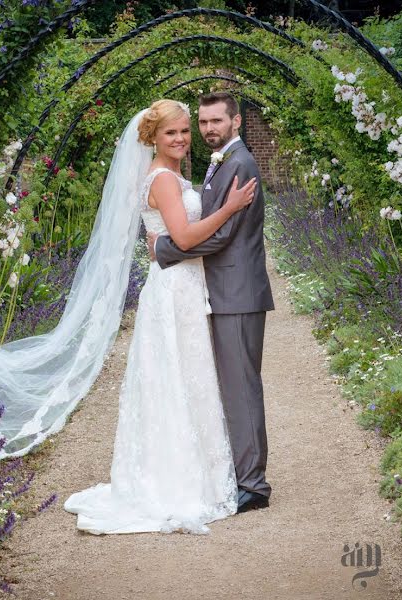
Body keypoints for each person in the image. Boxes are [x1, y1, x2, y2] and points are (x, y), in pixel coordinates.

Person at [63, 99, 258, 534]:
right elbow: (185, 236)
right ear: (152, 137)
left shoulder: (168, 176)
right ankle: (180, 480)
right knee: (179, 376)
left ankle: (193, 471)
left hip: (183, 286)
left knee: (186, 377)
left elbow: (170, 237)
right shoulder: (164, 179)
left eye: (186, 131)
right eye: (173, 132)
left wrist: (166, 243)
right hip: (175, 289)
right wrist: (229, 209)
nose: (183, 138)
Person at [148, 91, 275, 514]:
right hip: (221, 292)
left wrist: (164, 249)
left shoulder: (239, 163)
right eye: (201, 123)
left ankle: (254, 486)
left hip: (236, 294)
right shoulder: (221, 160)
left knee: (241, 388)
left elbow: (221, 236)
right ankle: (241, 475)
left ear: (236, 121)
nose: (207, 130)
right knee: (232, 387)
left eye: (215, 121)